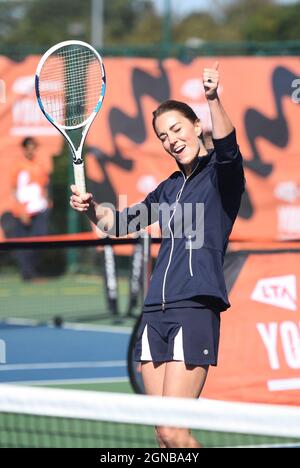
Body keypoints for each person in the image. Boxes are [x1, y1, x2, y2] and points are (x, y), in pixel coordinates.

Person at [70, 63, 245, 448]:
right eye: (163, 136)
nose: (172, 140)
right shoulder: (165, 191)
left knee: (173, 431)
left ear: (197, 126)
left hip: (194, 308)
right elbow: (117, 223)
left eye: (178, 129)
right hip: (154, 313)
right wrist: (91, 208)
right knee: (161, 435)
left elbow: (229, 146)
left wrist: (213, 97)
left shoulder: (222, 175)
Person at [11, 137, 50, 280]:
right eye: (29, 147)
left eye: (33, 147)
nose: (31, 149)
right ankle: (27, 273)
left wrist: (46, 202)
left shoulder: (40, 165)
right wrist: (21, 211)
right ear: (24, 148)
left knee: (39, 241)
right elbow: (15, 191)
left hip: (39, 211)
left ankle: (32, 271)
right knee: (22, 245)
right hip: (23, 213)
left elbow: (44, 185)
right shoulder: (18, 166)